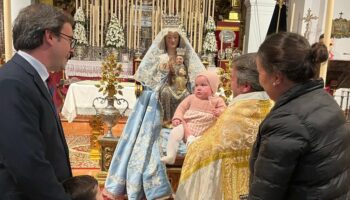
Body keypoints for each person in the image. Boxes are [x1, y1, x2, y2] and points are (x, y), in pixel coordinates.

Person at [103, 24, 205, 199]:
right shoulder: (159, 55)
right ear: (164, 39)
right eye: (169, 38)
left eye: (175, 38)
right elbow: (148, 79)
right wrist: (164, 71)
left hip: (181, 90)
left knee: (187, 95)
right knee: (164, 92)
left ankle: (181, 122)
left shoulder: (185, 55)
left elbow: (195, 77)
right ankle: (166, 122)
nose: (172, 41)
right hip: (160, 93)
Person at [249, 32, 350, 199]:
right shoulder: (324, 98)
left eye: (259, 72)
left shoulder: (287, 122)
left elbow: (266, 193)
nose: (259, 80)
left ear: (276, 77)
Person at [0, 4, 74, 200]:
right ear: (49, 36)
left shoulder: (28, 77)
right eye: (69, 39)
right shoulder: (12, 82)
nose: (71, 49)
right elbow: (27, 162)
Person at [175, 53, 273, 200]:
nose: (229, 84)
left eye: (232, 79)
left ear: (245, 86)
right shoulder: (275, 107)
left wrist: (190, 138)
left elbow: (202, 153)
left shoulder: (233, 114)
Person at [161, 71, 227, 164]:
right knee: (174, 133)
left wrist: (218, 112)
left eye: (203, 85)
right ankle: (171, 155)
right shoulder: (191, 98)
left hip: (205, 129)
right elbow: (181, 108)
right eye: (196, 85)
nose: (198, 88)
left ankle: (196, 159)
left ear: (213, 87)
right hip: (187, 125)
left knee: (203, 144)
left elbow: (225, 111)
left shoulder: (217, 100)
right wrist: (177, 118)